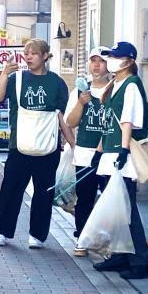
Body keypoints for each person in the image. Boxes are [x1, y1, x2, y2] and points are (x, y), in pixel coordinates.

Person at [0, 39, 74, 249]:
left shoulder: (57, 82)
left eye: (34, 53)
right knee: (11, 188)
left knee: (43, 191)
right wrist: (4, 73)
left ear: (46, 55)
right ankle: (2, 231)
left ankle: (37, 234)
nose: (28, 56)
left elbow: (61, 116)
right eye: (26, 53)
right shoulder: (17, 78)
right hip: (19, 144)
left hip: (49, 145)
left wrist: (73, 144)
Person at [92, 42, 148, 280]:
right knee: (116, 210)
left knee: (127, 209)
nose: (110, 59)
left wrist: (123, 150)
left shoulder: (131, 85)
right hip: (110, 153)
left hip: (122, 155)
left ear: (129, 61)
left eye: (115, 56)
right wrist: (100, 150)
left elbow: (128, 120)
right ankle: (120, 254)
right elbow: (110, 121)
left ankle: (142, 260)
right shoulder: (116, 84)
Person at [64, 47, 110, 256]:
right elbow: (70, 122)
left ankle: (108, 243)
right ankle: (82, 239)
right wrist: (81, 104)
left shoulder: (115, 89)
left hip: (109, 155)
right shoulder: (81, 90)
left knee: (109, 200)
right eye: (93, 61)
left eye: (101, 61)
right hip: (84, 154)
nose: (97, 65)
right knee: (84, 199)